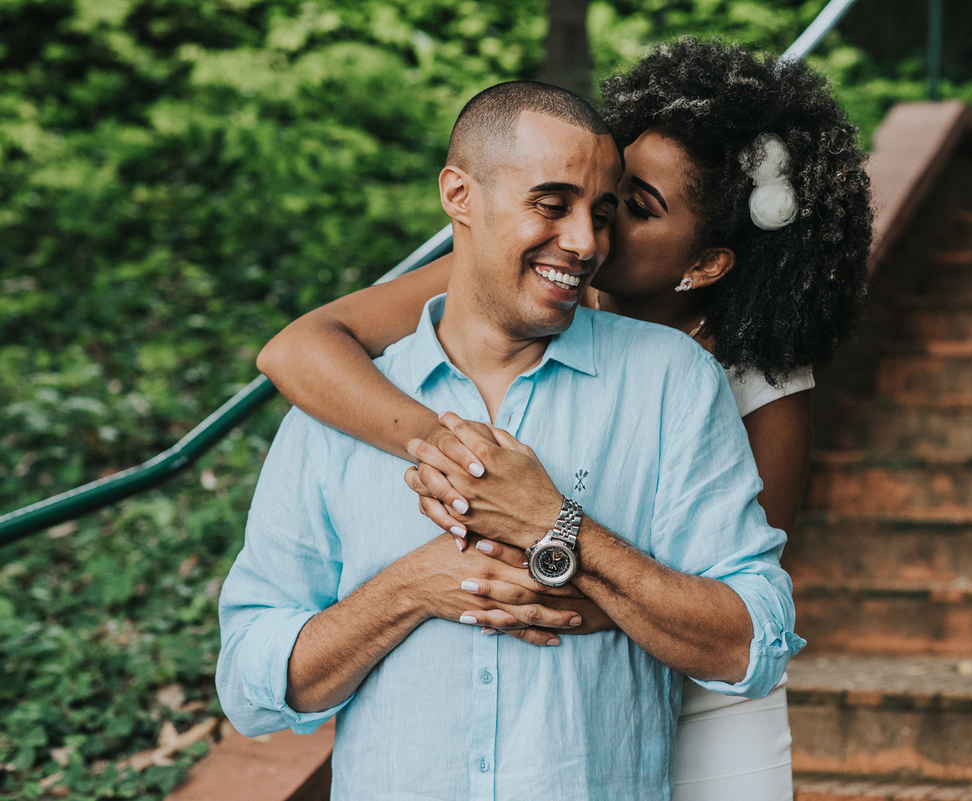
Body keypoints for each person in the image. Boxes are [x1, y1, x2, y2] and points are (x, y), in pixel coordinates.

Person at [256, 39, 872, 800]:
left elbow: (732, 603)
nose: (587, 235)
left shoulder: (729, 379)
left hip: (696, 688)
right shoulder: (525, 279)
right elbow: (299, 349)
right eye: (571, 200)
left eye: (622, 209)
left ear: (706, 263)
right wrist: (452, 455)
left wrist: (547, 543)